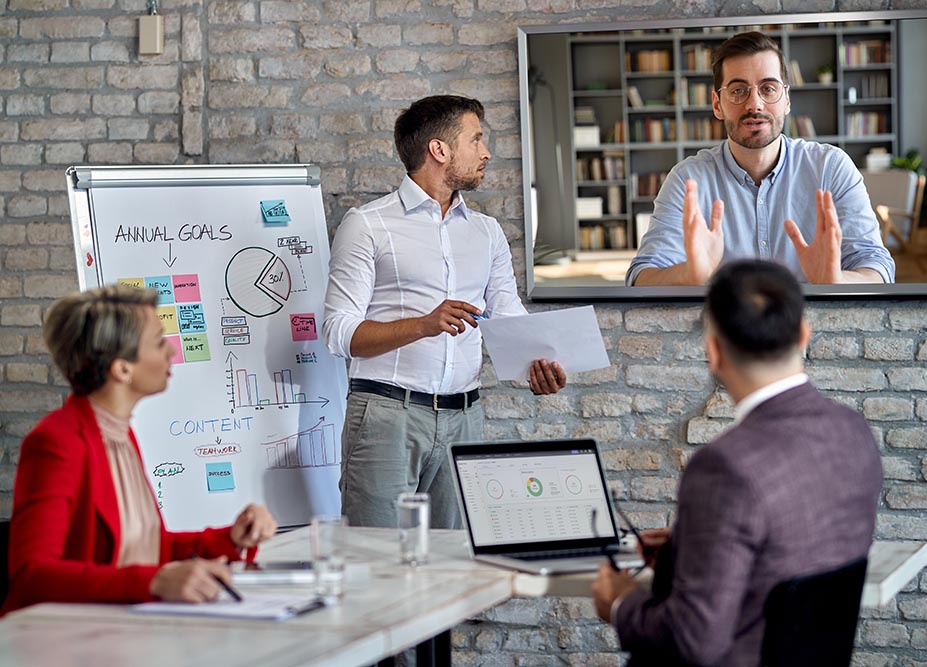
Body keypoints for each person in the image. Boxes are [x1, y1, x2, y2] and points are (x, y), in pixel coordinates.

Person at [593, 259, 883, 666]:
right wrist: (686, 551)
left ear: (712, 352)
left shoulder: (724, 468)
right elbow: (796, 553)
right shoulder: (853, 431)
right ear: (803, 335)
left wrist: (621, 604)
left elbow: (694, 640)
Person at [323, 95, 566, 530]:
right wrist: (423, 324)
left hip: (465, 419)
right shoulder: (367, 225)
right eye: (476, 139)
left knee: (456, 564)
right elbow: (339, 332)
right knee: (377, 561)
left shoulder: (486, 231)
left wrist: (538, 363)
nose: (486, 152)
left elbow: (506, 311)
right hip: (386, 418)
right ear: (440, 150)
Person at [2, 285, 277, 616]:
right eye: (160, 341)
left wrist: (229, 539)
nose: (171, 352)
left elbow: (142, 550)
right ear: (122, 369)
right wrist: (154, 582)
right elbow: (33, 575)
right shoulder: (57, 442)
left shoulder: (119, 433)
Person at [626, 31, 895, 286]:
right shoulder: (687, 180)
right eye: (738, 90)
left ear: (786, 100)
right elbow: (641, 277)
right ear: (717, 104)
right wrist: (688, 275)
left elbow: (877, 267)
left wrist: (836, 280)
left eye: (768, 89)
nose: (754, 104)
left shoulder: (831, 168)